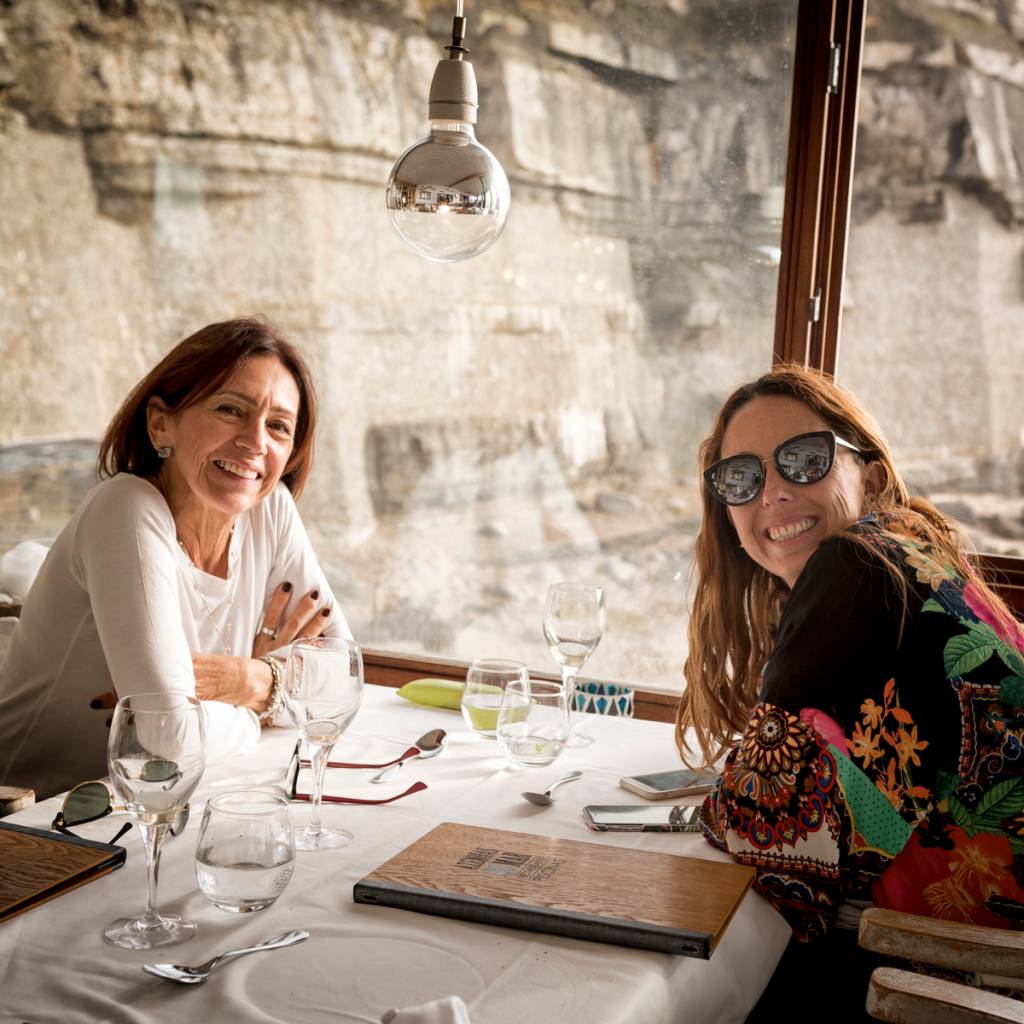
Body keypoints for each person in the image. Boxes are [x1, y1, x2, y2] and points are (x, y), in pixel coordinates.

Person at [678, 365, 1024, 1010]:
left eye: (804, 460)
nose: (773, 493)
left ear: (869, 475)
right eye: (742, 478)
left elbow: (761, 829)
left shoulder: (856, 564)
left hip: (971, 979)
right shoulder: (913, 549)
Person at [0, 317, 351, 799]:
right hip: (36, 818)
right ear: (161, 422)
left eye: (278, 427)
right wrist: (257, 708)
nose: (255, 442)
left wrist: (250, 677)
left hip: (144, 806)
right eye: (231, 410)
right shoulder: (125, 507)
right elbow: (169, 738)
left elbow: (344, 682)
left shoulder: (270, 510)